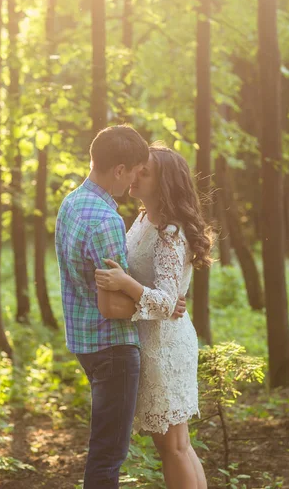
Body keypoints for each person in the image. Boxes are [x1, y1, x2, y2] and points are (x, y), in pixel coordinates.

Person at [55, 126, 187, 489]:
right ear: (119, 169)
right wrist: (161, 303)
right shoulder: (106, 220)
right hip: (112, 346)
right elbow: (113, 306)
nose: (134, 179)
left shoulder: (72, 203)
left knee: (107, 452)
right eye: (134, 170)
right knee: (108, 457)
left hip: (83, 341)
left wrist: (156, 298)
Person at [95, 144, 212, 489]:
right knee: (177, 445)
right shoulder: (146, 219)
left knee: (173, 447)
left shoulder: (170, 234)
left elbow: (164, 302)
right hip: (153, 340)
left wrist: (125, 283)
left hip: (165, 347)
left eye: (144, 170)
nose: (135, 173)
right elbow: (166, 296)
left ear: (164, 182)